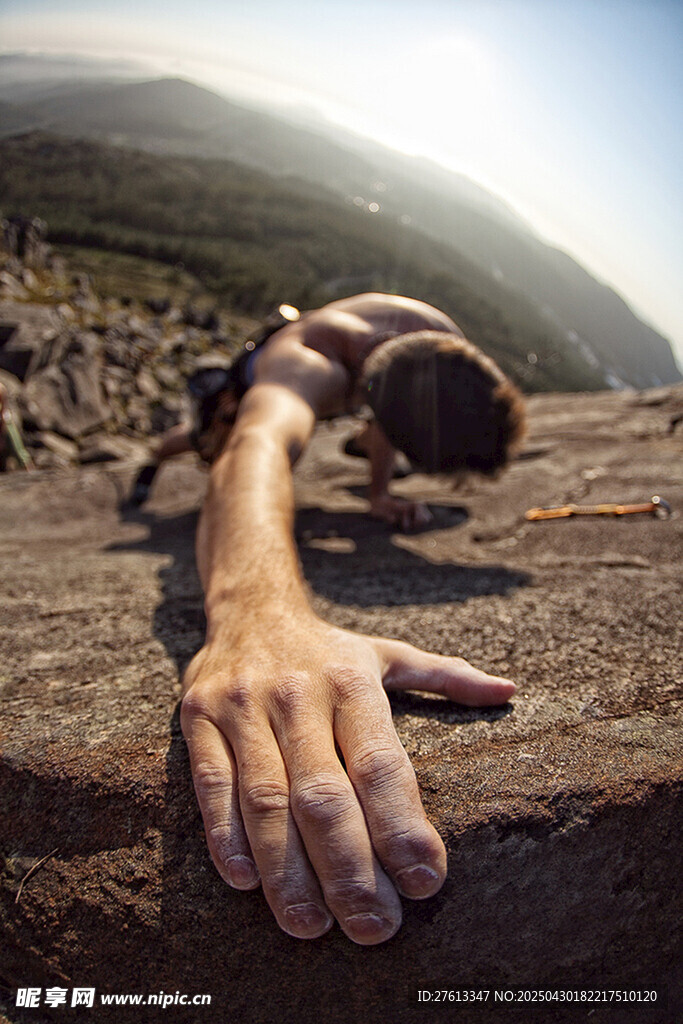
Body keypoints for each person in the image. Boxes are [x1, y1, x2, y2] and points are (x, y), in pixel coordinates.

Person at [146, 293, 526, 944]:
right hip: (248, 391)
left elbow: (388, 412)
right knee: (212, 444)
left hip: (357, 378)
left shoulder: (434, 344)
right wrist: (259, 618)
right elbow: (256, 450)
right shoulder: (307, 366)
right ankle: (153, 458)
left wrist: (379, 494)